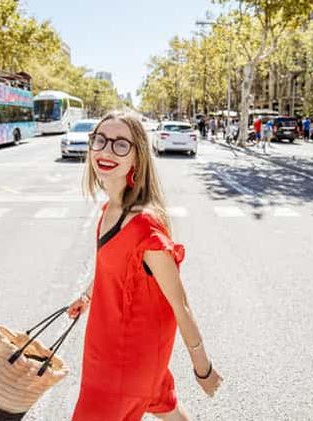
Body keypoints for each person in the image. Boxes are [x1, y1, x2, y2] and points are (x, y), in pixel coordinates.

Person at [69, 110, 222, 420]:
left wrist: (202, 369)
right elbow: (113, 267)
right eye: (101, 140)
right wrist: (87, 296)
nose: (107, 150)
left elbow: (181, 306)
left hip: (121, 364)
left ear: (137, 157)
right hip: (112, 347)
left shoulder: (145, 228)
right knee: (165, 407)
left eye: (120, 145)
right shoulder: (109, 210)